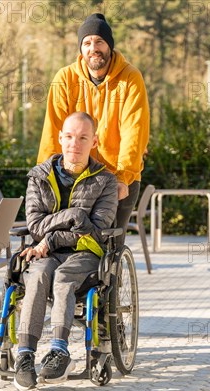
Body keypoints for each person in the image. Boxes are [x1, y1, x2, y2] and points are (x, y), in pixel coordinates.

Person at [14, 112, 118, 390]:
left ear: (94, 141)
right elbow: (35, 226)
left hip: (85, 252)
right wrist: (73, 216)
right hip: (46, 253)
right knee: (36, 277)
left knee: (63, 280)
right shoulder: (39, 176)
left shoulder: (106, 181)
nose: (75, 143)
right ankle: (24, 354)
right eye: (69, 136)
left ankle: (59, 351)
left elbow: (94, 230)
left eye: (83, 137)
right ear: (60, 138)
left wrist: (51, 238)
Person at [38, 13, 150, 244]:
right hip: (76, 177)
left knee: (110, 246)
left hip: (119, 176)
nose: (93, 48)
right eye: (87, 43)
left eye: (99, 41)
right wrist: (45, 176)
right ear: (81, 48)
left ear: (109, 45)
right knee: (72, 243)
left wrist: (123, 176)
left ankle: (114, 275)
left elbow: (134, 131)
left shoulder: (130, 78)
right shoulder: (65, 79)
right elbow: (53, 130)